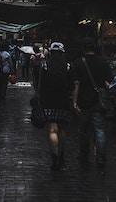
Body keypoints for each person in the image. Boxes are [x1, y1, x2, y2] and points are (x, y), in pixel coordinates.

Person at [71, 39, 112, 168]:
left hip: (84, 101)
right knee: (99, 130)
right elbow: (108, 83)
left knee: (84, 130)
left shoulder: (78, 63)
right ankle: (101, 157)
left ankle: (84, 154)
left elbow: (76, 85)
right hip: (99, 101)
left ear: (84, 49)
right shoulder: (103, 62)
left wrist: (74, 102)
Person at [37, 42, 73, 170]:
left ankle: (55, 156)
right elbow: (71, 84)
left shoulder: (45, 65)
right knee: (62, 129)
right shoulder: (67, 66)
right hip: (63, 100)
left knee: (52, 129)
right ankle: (62, 156)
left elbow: (40, 85)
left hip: (49, 100)